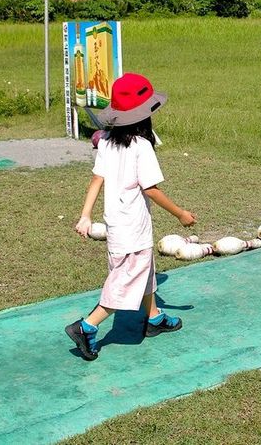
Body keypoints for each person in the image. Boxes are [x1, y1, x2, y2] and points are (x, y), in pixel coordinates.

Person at [65, 73, 197, 361]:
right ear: (145, 116)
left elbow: (96, 180)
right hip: (133, 229)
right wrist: (181, 214)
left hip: (116, 226)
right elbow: (151, 189)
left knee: (143, 272)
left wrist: (86, 215)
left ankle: (154, 318)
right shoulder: (141, 146)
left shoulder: (108, 142)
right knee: (124, 284)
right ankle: (86, 327)